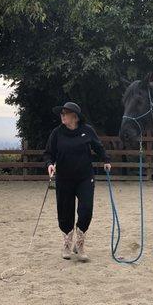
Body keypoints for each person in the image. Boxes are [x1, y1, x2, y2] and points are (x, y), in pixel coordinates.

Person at [44, 101, 111, 262]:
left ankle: (79, 244)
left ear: (74, 117)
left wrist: (106, 160)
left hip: (85, 178)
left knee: (86, 209)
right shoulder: (57, 133)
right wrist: (50, 165)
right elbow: (48, 153)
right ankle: (67, 243)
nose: (62, 116)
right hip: (64, 179)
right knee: (65, 211)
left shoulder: (87, 131)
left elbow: (98, 147)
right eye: (61, 113)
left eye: (64, 113)